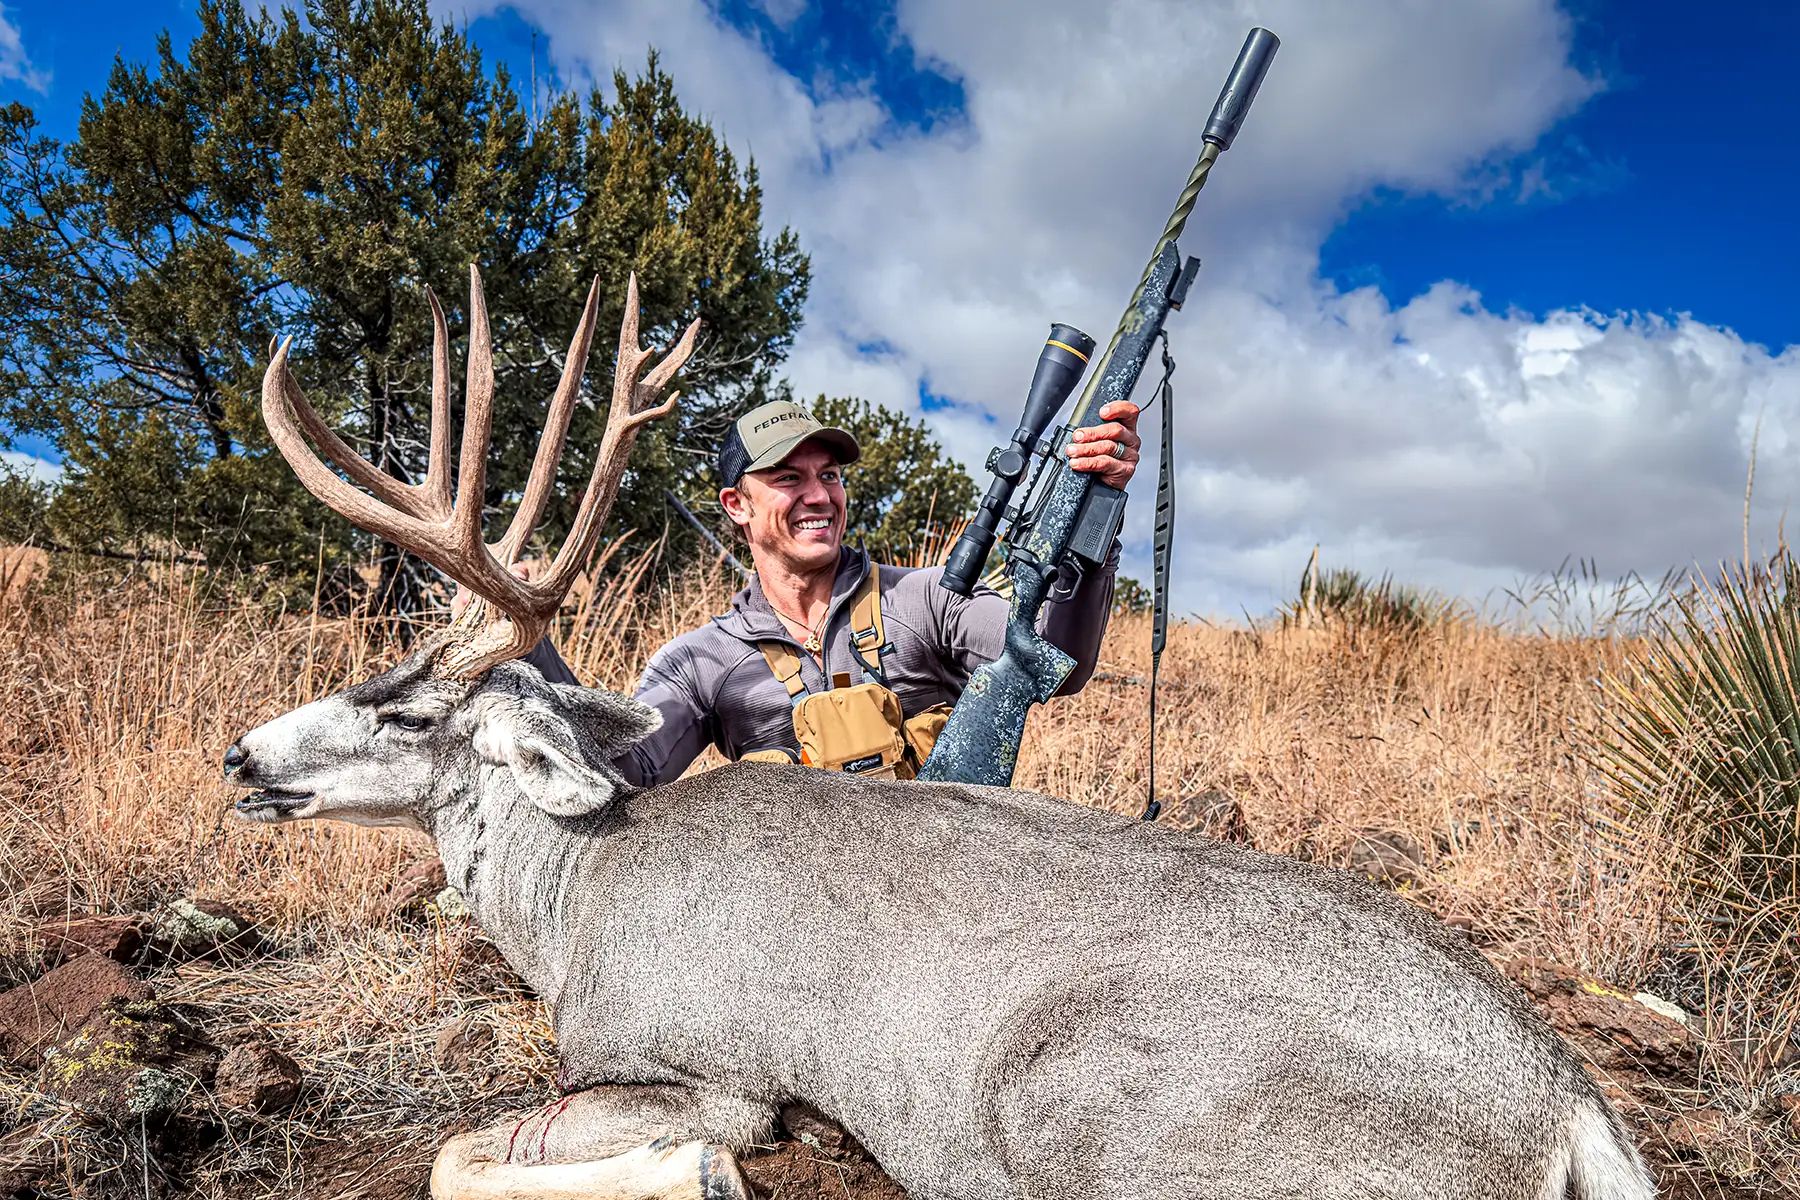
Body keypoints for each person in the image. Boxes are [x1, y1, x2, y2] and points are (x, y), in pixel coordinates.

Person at [524, 397, 1141, 785]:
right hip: (808, 942)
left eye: (831, 476)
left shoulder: (927, 599)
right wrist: (530, 642)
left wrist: (1096, 510)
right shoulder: (699, 663)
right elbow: (621, 767)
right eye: (789, 478)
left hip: (958, 899)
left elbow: (1054, 665)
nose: (818, 496)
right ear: (737, 505)